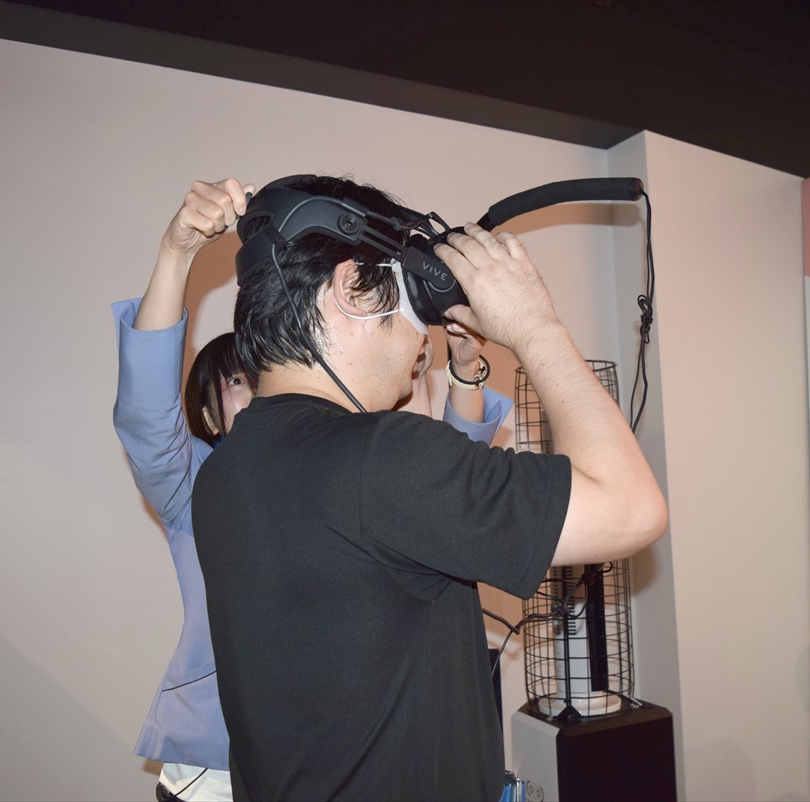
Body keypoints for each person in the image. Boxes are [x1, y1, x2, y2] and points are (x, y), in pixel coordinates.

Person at [192, 174, 668, 801]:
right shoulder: (379, 457)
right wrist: (535, 326)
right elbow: (631, 507)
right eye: (412, 303)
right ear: (353, 290)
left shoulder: (225, 471)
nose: (424, 335)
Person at [113, 178, 513, 802]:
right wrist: (176, 252)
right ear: (208, 414)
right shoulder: (202, 485)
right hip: (218, 772)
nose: (258, 391)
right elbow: (146, 421)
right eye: (236, 382)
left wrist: (464, 370)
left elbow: (452, 491)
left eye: (256, 376)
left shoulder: (344, 459)